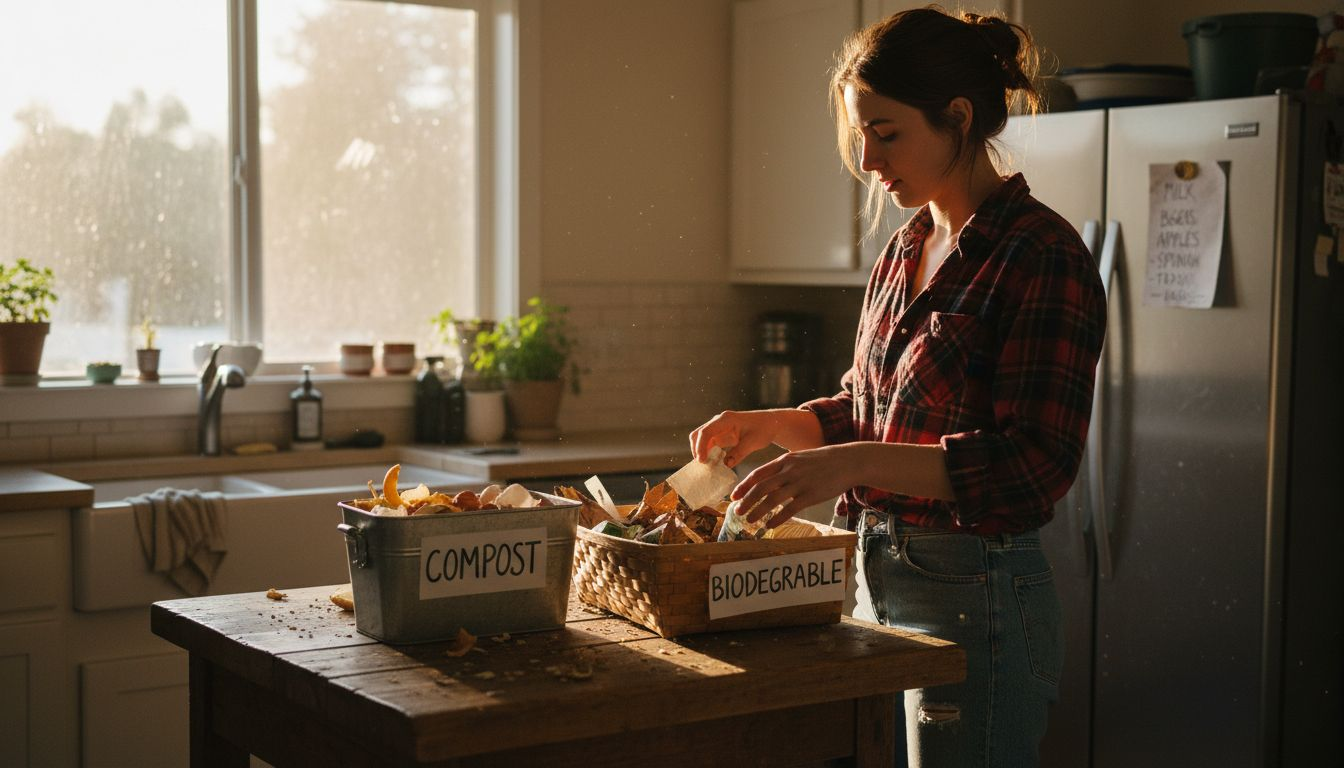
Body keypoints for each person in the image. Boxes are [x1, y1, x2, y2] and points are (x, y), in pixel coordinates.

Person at [691, 7, 1107, 767]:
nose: (869, 160)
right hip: (874, 582)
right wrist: (778, 423)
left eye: (887, 132)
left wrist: (851, 465)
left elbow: (1031, 465)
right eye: (860, 133)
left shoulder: (1040, 254)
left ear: (957, 118)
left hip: (977, 592)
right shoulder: (905, 246)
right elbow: (868, 411)